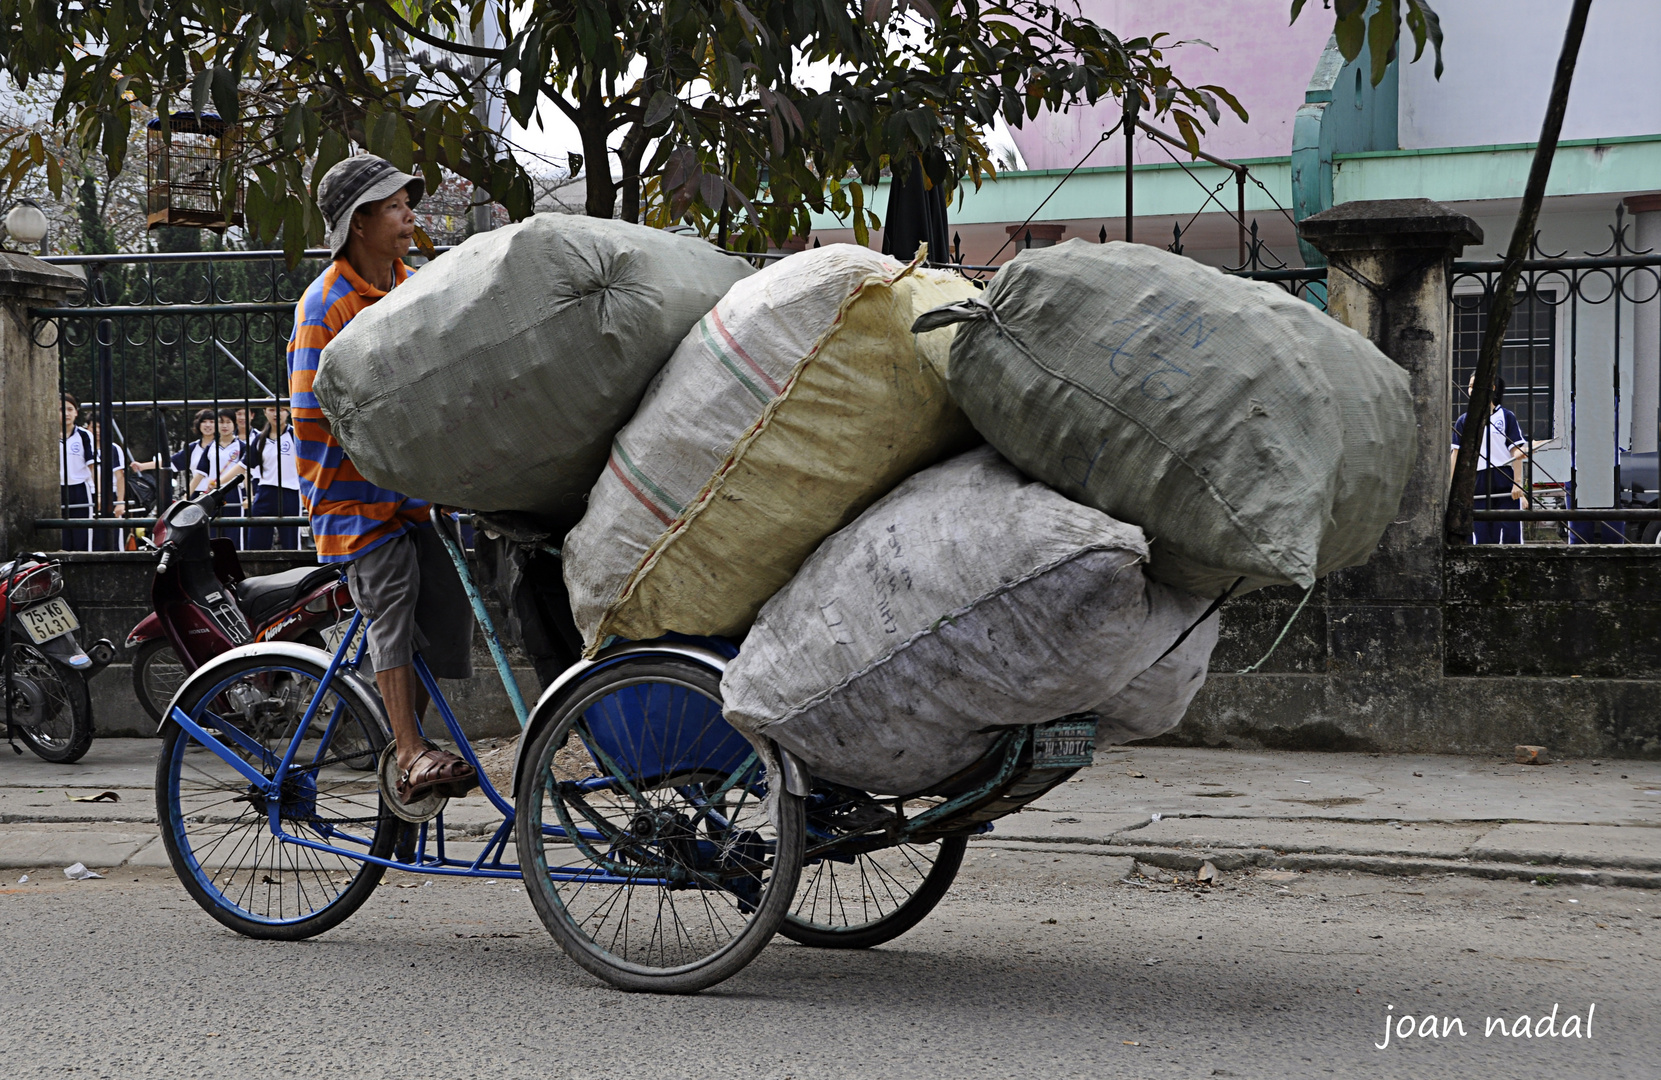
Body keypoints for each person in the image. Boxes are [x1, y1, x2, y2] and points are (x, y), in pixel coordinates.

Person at [288, 153, 479, 803]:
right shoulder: (325, 307)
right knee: (392, 602)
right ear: (359, 223)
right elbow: (315, 418)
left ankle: (404, 731)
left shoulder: (409, 282)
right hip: (353, 498)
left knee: (450, 609)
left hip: (414, 490)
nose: (408, 216)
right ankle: (405, 750)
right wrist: (390, 469)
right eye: (394, 207)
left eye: (406, 203)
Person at [1452, 375, 1529, 545]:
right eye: (1470, 386)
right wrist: (1453, 486)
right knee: (1482, 530)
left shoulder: (1506, 416)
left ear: (1492, 388)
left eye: (1475, 385)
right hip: (1477, 479)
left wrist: (1517, 483)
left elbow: (1516, 450)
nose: (1471, 390)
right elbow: (1456, 455)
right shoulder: (1464, 421)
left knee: (1510, 530)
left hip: (1504, 476)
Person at [240, 406, 302, 550]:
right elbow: (243, 465)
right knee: (256, 542)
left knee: (290, 542)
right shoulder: (260, 438)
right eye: (272, 410)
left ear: (287, 412)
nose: (276, 414)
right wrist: (219, 482)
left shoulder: (295, 434)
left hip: (290, 492)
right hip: (265, 492)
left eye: (281, 409)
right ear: (265, 412)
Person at [191, 408, 248, 547]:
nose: (224, 426)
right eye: (221, 422)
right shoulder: (211, 447)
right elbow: (200, 474)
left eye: (228, 422)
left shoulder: (242, 446)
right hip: (212, 494)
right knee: (212, 532)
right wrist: (187, 494)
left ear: (234, 425)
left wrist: (249, 496)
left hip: (234, 494)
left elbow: (245, 473)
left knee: (234, 533)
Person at [58, 394, 97, 551]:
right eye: (62, 409)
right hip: (56, 489)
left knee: (82, 534)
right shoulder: (46, 435)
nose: (66, 413)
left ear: (76, 413)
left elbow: (92, 466)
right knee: (61, 534)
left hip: (80, 488)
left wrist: (98, 494)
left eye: (70, 409)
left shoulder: (84, 435)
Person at [87, 420, 128, 551]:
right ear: (87, 427)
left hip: (111, 494)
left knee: (113, 536)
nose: (98, 431)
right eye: (94, 427)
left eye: (101, 427)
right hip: (88, 493)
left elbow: (120, 476)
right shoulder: (85, 447)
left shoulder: (114, 448)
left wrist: (120, 502)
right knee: (90, 536)